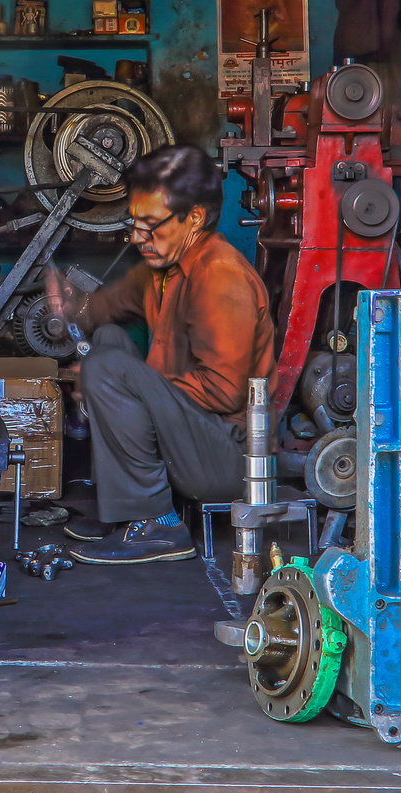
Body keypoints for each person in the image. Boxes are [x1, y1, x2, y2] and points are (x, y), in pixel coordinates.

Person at [44, 145, 276, 565]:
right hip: (189, 437)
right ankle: (123, 511)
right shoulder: (164, 270)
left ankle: (157, 525)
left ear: (194, 219)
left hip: (227, 458)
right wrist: (69, 304)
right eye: (135, 223)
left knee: (108, 367)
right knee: (111, 340)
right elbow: (103, 309)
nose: (136, 237)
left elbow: (225, 393)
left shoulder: (220, 276)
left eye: (150, 225)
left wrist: (133, 392)